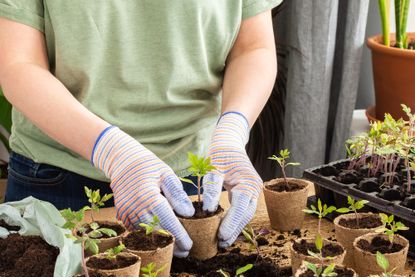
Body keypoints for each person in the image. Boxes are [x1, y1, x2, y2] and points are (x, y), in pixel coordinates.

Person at [0, 1, 281, 257]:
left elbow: (252, 46)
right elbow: (19, 64)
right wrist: (114, 152)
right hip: (61, 180)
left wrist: (232, 130)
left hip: (194, 181)